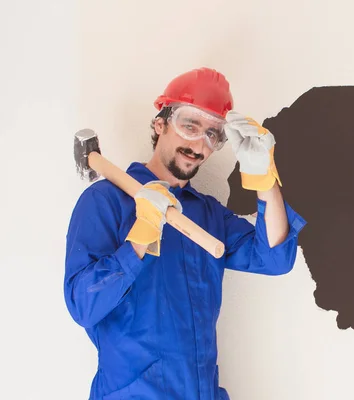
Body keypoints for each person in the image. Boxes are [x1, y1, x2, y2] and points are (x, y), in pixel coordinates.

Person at [63, 67, 306, 399]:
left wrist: (263, 178)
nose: (198, 143)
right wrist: (141, 235)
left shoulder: (206, 214)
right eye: (189, 125)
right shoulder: (105, 201)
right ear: (161, 124)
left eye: (212, 134)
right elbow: (82, 306)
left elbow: (275, 257)